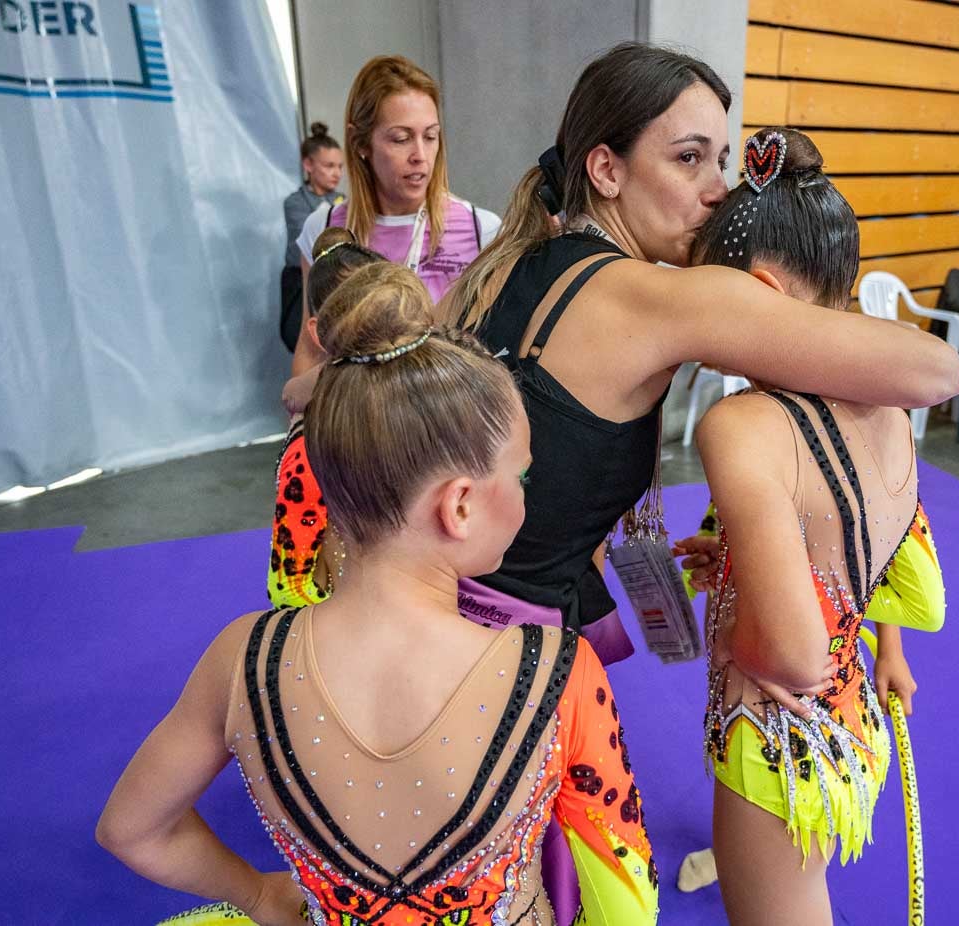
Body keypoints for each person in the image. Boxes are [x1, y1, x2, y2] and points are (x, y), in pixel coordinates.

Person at [98, 265, 659, 925]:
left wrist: (255, 893)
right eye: (522, 476)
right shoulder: (557, 674)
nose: (525, 496)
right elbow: (626, 906)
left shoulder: (242, 660)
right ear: (458, 504)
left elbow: (131, 830)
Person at [439, 42, 959, 669]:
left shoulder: (503, 266)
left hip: (424, 605)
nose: (719, 191)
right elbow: (937, 370)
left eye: (721, 161)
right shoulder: (667, 297)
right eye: (689, 159)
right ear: (607, 171)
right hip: (494, 657)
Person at [688, 128, 946, 925]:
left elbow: (795, 654)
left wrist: (743, 643)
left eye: (703, 302)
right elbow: (907, 581)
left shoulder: (746, 424)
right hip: (850, 723)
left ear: (758, 293)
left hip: (775, 742)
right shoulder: (892, 410)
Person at [292, 56, 501, 376]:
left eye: (430, 136)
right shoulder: (322, 228)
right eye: (401, 139)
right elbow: (310, 348)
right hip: (358, 418)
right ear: (361, 142)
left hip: (449, 417)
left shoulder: (481, 229)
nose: (420, 155)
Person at [268, 227, 383, 610]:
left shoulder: (394, 400)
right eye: (356, 307)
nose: (376, 319)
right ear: (320, 331)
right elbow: (291, 576)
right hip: (335, 611)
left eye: (378, 300)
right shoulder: (311, 446)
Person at [281, 123, 346, 352]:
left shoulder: (342, 200)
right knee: (302, 339)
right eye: (329, 166)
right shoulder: (295, 203)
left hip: (333, 278)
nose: (337, 173)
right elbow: (312, 241)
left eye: (340, 166)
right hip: (301, 279)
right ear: (308, 165)